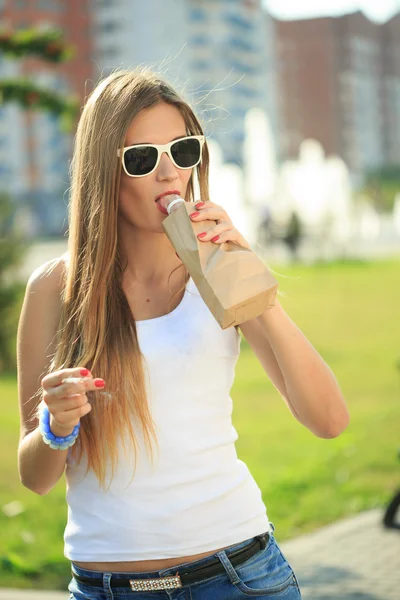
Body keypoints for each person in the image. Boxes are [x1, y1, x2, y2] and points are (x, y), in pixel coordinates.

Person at [17, 69, 350, 599]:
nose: (169, 173)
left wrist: (248, 276)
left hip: (238, 576)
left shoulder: (219, 267)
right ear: (105, 172)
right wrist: (56, 425)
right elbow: (35, 477)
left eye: (183, 150)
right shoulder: (53, 289)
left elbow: (329, 420)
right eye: (142, 158)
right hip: (104, 587)